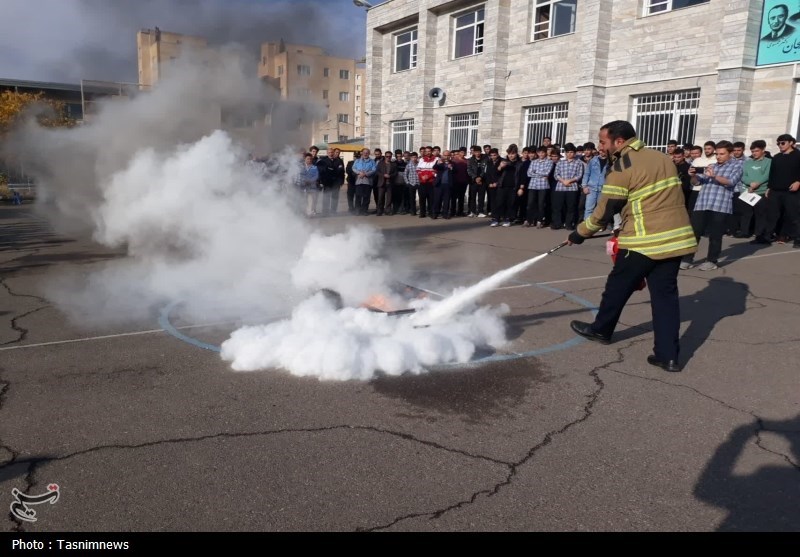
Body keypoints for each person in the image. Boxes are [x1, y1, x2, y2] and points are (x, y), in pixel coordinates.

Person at [566, 120, 698, 372]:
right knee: (665, 298)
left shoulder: (622, 166)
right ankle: (668, 356)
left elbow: (605, 209)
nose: (600, 146)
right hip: (674, 239)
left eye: (603, 141)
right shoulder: (661, 158)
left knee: (616, 289)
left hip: (642, 240)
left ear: (619, 141)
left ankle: (601, 330)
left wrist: (580, 233)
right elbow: (652, 198)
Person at [681, 141, 743, 271]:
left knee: (715, 235)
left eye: (722, 154)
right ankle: (687, 259)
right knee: (694, 232)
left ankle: (711, 261)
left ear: (730, 153)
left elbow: (731, 182)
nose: (718, 156)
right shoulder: (711, 165)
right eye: (717, 154)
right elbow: (697, 182)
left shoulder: (737, 166)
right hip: (702, 203)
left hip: (720, 205)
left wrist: (714, 176)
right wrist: (692, 176)